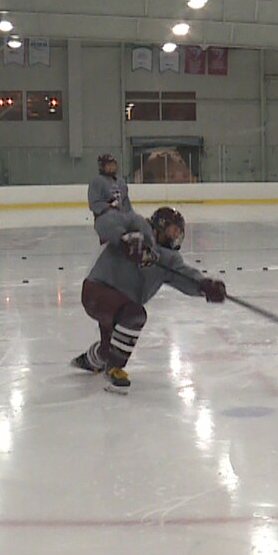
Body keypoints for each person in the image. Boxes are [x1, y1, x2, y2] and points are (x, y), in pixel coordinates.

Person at [71, 206, 226, 394]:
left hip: (122, 304)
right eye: (173, 230)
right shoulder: (136, 226)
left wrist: (204, 286)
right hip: (97, 291)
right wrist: (125, 239)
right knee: (134, 315)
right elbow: (104, 223)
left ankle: (91, 360)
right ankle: (114, 368)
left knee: (110, 347)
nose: (175, 236)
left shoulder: (169, 259)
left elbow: (185, 276)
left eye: (178, 233)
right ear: (160, 226)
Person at [88, 153, 133, 243]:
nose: (112, 167)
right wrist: (109, 206)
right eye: (108, 165)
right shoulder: (97, 182)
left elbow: (126, 202)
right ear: (102, 167)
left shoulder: (121, 182)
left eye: (113, 165)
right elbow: (94, 204)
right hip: (106, 222)